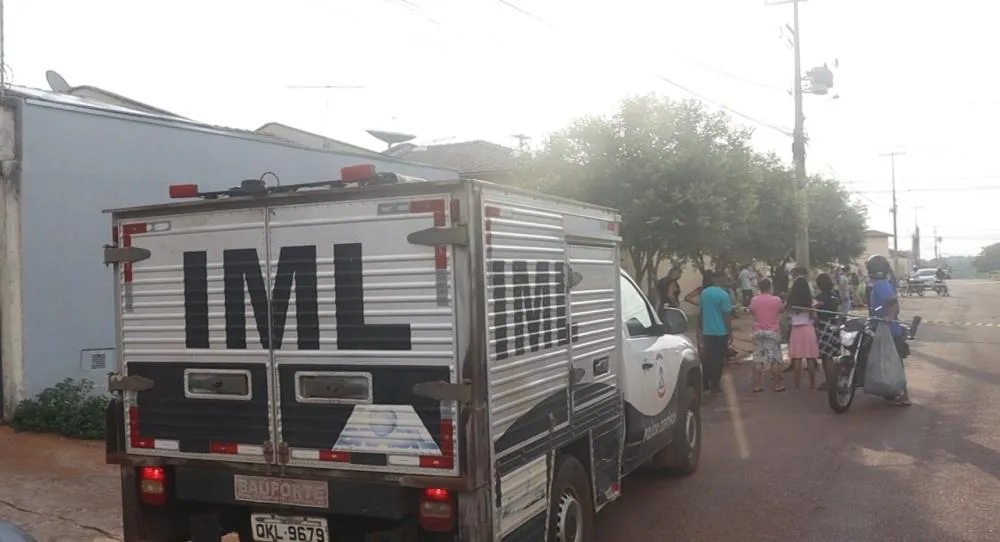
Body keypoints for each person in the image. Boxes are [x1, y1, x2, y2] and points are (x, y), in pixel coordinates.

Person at [867, 254, 912, 406]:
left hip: (888, 328)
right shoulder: (883, 282)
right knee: (888, 361)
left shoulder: (880, 284)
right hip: (883, 326)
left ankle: (904, 395)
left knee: (894, 361)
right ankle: (893, 391)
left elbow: (892, 302)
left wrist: (889, 317)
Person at [749, 278, 785, 393]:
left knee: (758, 359)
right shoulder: (776, 299)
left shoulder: (754, 300)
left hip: (758, 331)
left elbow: (752, 311)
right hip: (772, 332)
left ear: (759, 288)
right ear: (770, 287)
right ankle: (777, 384)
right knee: (774, 359)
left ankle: (756, 385)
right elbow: (782, 310)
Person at [700, 271, 733, 394]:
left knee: (707, 357)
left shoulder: (704, 293)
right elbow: (726, 315)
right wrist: (730, 331)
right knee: (718, 359)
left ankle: (705, 383)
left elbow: (701, 312)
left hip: (707, 331)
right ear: (720, 279)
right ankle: (715, 385)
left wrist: (701, 329)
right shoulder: (724, 295)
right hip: (720, 332)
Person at [786, 274, 820, 390]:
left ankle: (797, 385)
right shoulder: (810, 301)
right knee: (810, 358)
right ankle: (812, 384)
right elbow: (815, 317)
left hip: (796, 330)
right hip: (808, 329)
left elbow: (788, 318)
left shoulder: (790, 302)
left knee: (797, 358)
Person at [814, 273, 841, 391]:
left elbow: (815, 312)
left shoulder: (820, 297)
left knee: (827, 357)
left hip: (824, 326)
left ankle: (830, 382)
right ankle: (832, 381)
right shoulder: (835, 295)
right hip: (834, 325)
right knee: (831, 355)